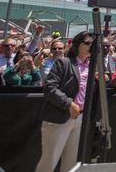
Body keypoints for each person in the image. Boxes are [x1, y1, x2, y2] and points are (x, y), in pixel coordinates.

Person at [36, 31, 94, 172]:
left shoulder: (91, 67)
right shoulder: (64, 63)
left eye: (93, 44)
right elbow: (49, 88)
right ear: (76, 45)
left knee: (71, 163)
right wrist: (69, 103)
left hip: (80, 118)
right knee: (49, 162)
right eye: (87, 43)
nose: (91, 46)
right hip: (60, 116)